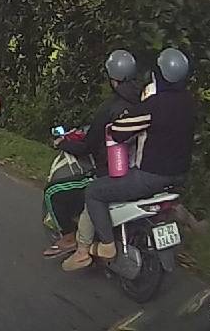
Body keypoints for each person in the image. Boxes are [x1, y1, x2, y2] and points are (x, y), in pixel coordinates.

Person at [63, 47, 195, 271]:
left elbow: (119, 132)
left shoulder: (155, 105)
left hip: (150, 176)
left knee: (94, 191)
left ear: (159, 75)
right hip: (179, 176)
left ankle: (106, 245)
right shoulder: (189, 102)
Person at [42, 50, 143, 257]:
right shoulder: (145, 101)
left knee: (53, 192)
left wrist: (63, 143)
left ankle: (69, 237)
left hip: (109, 172)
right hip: (140, 170)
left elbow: (88, 146)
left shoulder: (110, 108)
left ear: (113, 78)